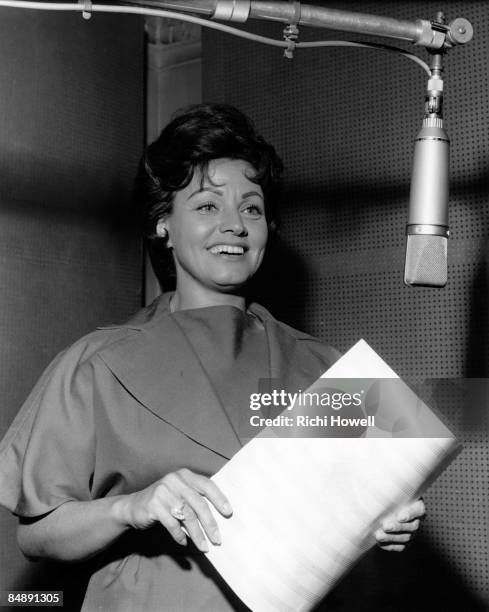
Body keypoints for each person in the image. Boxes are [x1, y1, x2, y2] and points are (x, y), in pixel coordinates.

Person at [0, 103, 425, 611]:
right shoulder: (94, 362)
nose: (235, 225)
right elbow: (37, 536)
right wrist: (131, 508)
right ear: (164, 224)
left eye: (251, 208)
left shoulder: (330, 367)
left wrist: (386, 522)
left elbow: (387, 492)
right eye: (206, 206)